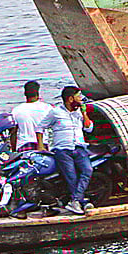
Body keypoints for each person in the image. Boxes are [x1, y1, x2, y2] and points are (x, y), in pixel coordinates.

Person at [36, 86, 94, 215]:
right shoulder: (55, 112)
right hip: (63, 150)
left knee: (87, 170)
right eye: (78, 97)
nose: (81, 100)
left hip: (79, 147)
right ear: (70, 99)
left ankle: (76, 201)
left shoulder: (78, 113)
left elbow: (89, 128)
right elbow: (40, 127)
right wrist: (41, 145)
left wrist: (84, 113)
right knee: (71, 176)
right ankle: (79, 201)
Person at [10, 81, 53, 152]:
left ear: (25, 93)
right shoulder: (47, 108)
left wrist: (13, 151)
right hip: (42, 145)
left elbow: (13, 133)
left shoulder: (16, 110)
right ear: (38, 93)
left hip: (24, 146)